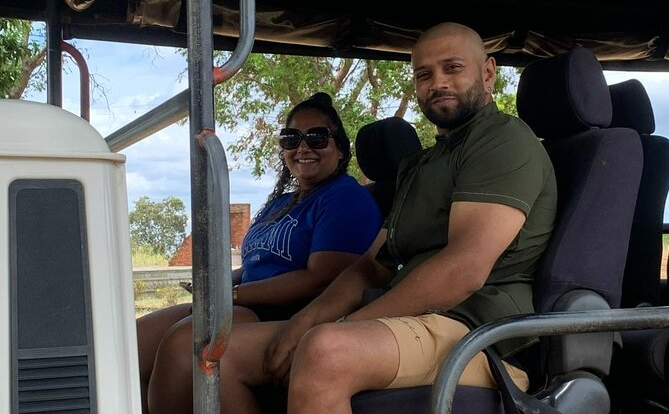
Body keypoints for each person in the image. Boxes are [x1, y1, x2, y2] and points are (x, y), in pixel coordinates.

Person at [149, 22, 557, 414]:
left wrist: (343, 325)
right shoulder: (421, 165)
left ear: (488, 73)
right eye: (424, 74)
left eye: (452, 68)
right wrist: (303, 322)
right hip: (412, 320)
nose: (438, 83)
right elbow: (369, 267)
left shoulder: (503, 141)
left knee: (325, 349)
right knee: (214, 355)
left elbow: (464, 269)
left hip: (477, 331)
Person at [138, 92, 382, 413]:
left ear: (339, 150)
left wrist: (233, 296)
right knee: (137, 341)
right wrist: (220, 287)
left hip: (286, 312)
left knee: (181, 344)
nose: (303, 147)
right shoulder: (283, 202)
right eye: (291, 138)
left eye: (317, 137)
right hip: (246, 302)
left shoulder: (345, 199)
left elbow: (320, 280)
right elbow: (256, 264)